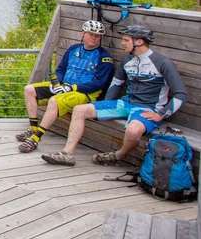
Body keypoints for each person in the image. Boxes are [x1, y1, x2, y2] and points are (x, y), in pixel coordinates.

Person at [42, 25, 188, 166]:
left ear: (139, 41)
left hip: (147, 109)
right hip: (125, 103)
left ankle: (118, 155)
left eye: (126, 40)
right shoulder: (127, 59)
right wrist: (104, 105)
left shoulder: (162, 63)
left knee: (132, 131)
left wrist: (161, 114)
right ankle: (67, 154)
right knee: (80, 110)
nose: (122, 43)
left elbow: (181, 94)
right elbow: (117, 83)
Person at [16, 20, 115, 153]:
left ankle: (36, 138)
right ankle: (33, 128)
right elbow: (61, 70)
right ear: (83, 34)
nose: (94, 37)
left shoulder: (104, 57)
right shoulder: (73, 49)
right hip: (64, 85)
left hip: (84, 93)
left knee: (54, 101)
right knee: (29, 89)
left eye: (97, 36)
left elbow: (99, 83)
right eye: (91, 34)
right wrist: (56, 84)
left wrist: (71, 88)